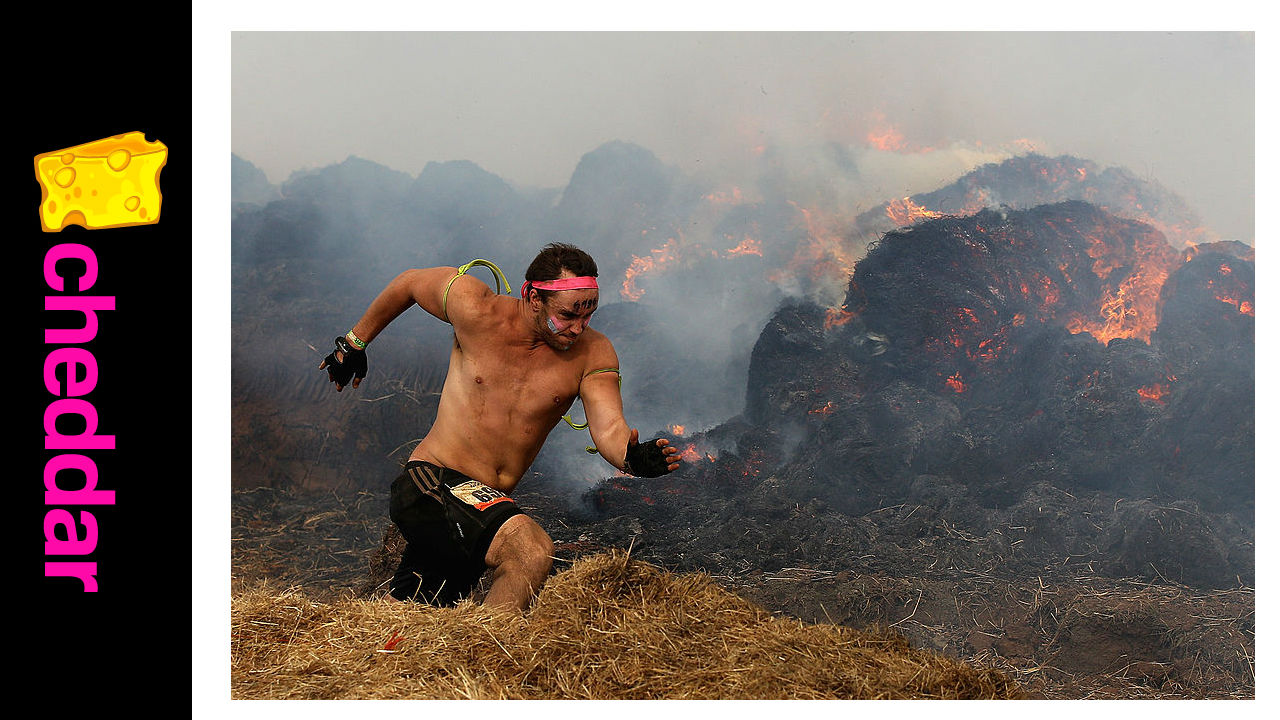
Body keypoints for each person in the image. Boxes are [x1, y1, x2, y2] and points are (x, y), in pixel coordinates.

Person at [319, 243, 682, 611]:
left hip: (482, 506)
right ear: (533, 297)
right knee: (530, 551)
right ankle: (491, 657)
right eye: (567, 315)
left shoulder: (594, 352)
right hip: (432, 482)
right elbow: (410, 283)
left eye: (587, 316)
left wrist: (632, 457)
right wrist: (353, 343)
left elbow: (609, 430)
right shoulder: (476, 308)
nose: (577, 329)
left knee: (421, 614)